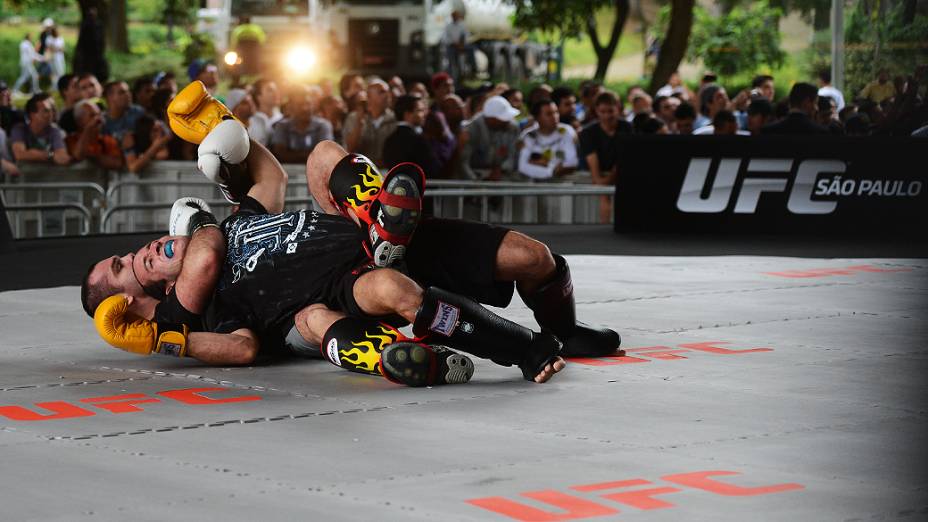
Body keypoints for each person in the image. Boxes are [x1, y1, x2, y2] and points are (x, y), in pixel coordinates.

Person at [579, 91, 632, 223]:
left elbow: (627, 157)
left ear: (618, 109)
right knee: (603, 196)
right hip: (603, 176)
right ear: (596, 111)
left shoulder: (628, 128)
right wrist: (604, 179)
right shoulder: (587, 133)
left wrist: (610, 176)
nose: (607, 116)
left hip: (622, 175)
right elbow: (595, 173)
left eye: (610, 111)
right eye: (603, 111)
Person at [460, 95, 520, 181]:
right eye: (503, 118)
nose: (507, 121)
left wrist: (501, 169)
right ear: (490, 119)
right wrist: (475, 182)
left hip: (503, 175)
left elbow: (512, 154)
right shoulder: (472, 129)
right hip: (475, 175)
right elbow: (463, 162)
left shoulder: (513, 127)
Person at [269, 86, 334, 163]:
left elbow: (324, 154)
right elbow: (280, 154)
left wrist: (290, 154)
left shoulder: (323, 125)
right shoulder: (282, 126)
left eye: (308, 104)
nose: (305, 108)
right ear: (291, 106)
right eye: (300, 104)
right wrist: (313, 154)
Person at [517, 99, 578, 180]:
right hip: (533, 186)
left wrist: (538, 164)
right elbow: (523, 166)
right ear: (537, 118)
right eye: (549, 114)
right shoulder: (528, 135)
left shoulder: (566, 131)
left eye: (556, 112)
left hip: (562, 185)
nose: (555, 116)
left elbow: (571, 163)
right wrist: (551, 171)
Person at [383, 94, 439, 178]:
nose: (424, 114)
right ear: (407, 114)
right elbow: (433, 169)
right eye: (419, 111)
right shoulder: (418, 140)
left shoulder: (389, 140)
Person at [342, 78, 396, 165]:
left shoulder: (394, 119)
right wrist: (359, 122)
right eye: (382, 92)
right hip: (361, 171)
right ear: (369, 96)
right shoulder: (354, 117)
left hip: (386, 171)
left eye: (388, 91)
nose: (388, 95)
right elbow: (350, 148)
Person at [9, 93, 70, 166]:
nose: (51, 113)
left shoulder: (55, 131)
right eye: (46, 111)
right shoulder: (19, 129)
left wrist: (32, 153)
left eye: (52, 110)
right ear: (32, 114)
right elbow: (19, 154)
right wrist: (50, 155)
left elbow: (62, 157)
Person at [66, 98, 124, 170]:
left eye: (99, 114)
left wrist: (91, 157)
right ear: (79, 121)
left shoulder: (107, 140)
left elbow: (117, 163)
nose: (98, 119)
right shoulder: (70, 140)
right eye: (92, 115)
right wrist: (88, 129)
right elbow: (78, 155)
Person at [761, 82, 828, 135]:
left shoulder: (768, 131)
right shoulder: (820, 132)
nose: (817, 108)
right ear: (807, 102)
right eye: (815, 103)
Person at [247, 79, 283, 146]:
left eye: (276, 89)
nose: (276, 93)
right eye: (270, 90)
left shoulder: (282, 118)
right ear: (258, 96)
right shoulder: (250, 121)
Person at [443, 9, 472, 82]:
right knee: (451, 62)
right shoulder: (448, 26)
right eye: (453, 16)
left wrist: (461, 44)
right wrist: (454, 43)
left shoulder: (462, 25)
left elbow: (466, 35)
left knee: (470, 52)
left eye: (456, 16)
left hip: (462, 46)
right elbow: (446, 37)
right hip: (452, 46)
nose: (455, 17)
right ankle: (452, 77)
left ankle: (470, 71)